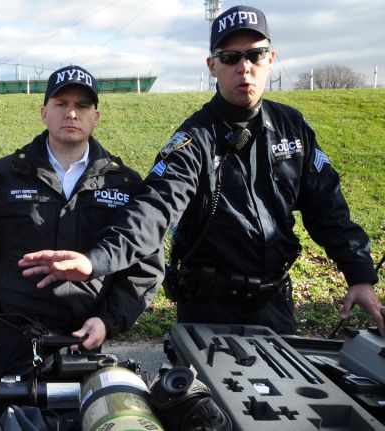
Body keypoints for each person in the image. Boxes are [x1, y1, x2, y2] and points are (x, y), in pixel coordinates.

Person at [19, 5, 384, 337]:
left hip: (276, 306)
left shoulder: (294, 129)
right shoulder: (192, 140)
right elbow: (152, 212)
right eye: (230, 58)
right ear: (213, 66)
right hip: (209, 310)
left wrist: (360, 274)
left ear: (271, 58)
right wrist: (96, 260)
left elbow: (329, 209)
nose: (244, 68)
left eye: (255, 55)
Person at [0, 65, 163, 376]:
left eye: (82, 106)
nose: (71, 114)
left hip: (85, 340)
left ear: (96, 117)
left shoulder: (125, 185)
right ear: (44, 113)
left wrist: (107, 320)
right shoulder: (1, 178)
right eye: (61, 104)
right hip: (15, 341)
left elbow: (145, 267)